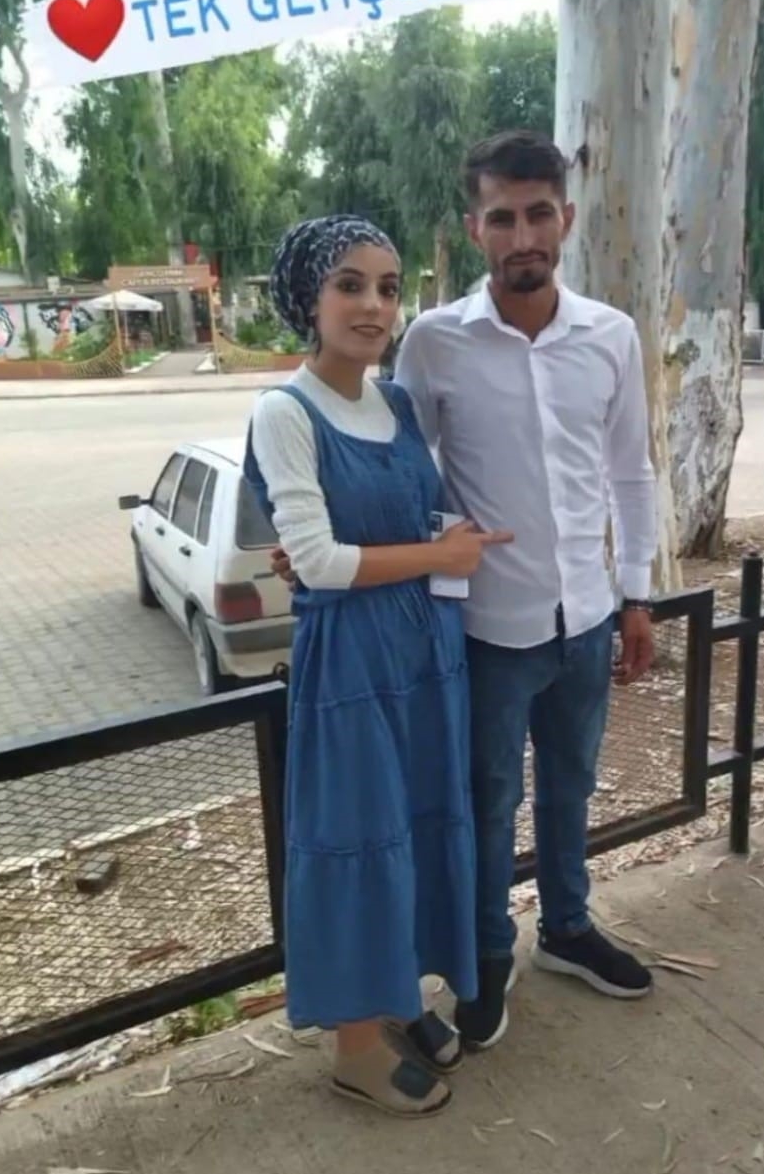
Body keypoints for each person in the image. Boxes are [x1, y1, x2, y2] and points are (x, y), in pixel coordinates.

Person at [273, 131, 658, 1052]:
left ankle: (566, 926)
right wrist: (318, 543)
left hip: (585, 614)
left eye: (538, 214)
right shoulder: (435, 342)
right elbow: (401, 462)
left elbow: (630, 472)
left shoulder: (610, 335)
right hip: (483, 626)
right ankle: (486, 956)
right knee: (486, 803)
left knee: (570, 785)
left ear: (565, 218)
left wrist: (636, 594)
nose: (522, 235)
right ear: (474, 227)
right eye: (502, 217)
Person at [246, 215, 513, 1118]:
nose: (373, 305)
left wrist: (450, 538)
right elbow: (321, 561)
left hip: (424, 651)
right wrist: (438, 556)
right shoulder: (283, 412)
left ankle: (395, 994)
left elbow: (386, 520)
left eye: (389, 288)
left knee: (416, 825)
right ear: (307, 298)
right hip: (353, 664)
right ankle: (354, 1048)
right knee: (361, 837)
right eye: (349, 284)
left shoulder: (394, 401)